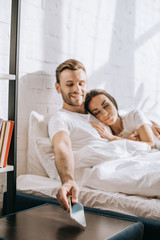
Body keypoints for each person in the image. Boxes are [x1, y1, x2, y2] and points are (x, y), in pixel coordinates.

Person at [48, 59, 160, 212]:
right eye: (69, 84)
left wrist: (149, 122)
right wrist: (68, 181)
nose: (77, 89)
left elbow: (122, 115)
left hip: (130, 157)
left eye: (81, 83)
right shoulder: (60, 119)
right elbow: (62, 146)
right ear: (58, 87)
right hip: (107, 166)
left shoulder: (94, 112)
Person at [84, 89, 160, 149]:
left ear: (113, 102)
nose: (104, 113)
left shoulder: (133, 116)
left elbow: (151, 145)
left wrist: (113, 138)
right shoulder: (103, 134)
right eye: (97, 112)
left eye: (106, 105)